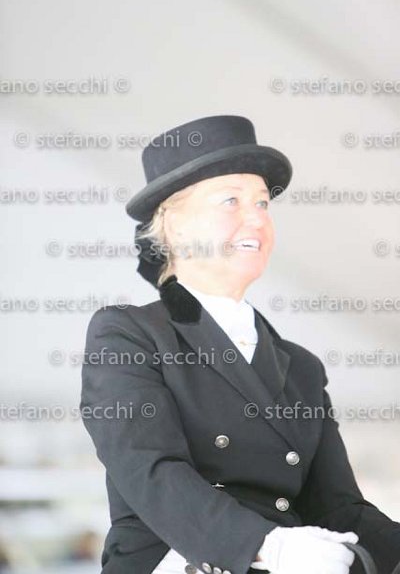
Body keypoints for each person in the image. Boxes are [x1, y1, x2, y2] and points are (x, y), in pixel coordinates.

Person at [80, 115, 400, 574]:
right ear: (174, 224)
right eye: (231, 200)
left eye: (263, 203)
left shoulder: (303, 367)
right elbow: (150, 470)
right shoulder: (127, 334)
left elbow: (340, 509)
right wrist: (267, 546)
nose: (257, 218)